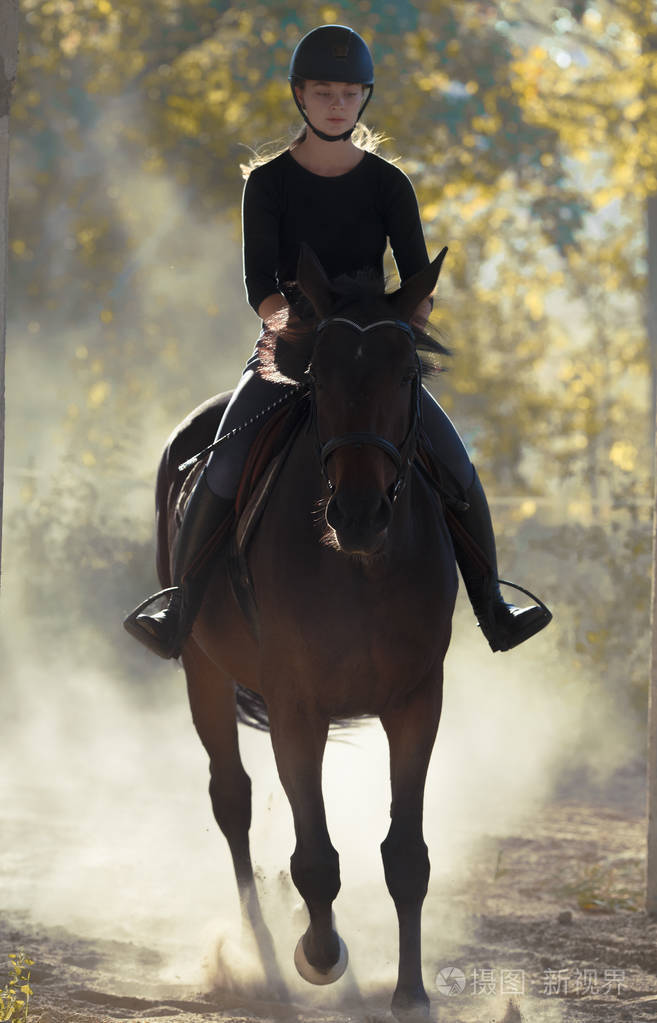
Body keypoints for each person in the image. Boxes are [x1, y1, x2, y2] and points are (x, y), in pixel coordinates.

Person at [125, 24, 551, 659]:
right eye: (323, 91)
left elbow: (417, 282)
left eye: (348, 93)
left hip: (371, 351)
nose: (335, 104)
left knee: (458, 465)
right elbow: (259, 284)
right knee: (220, 464)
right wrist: (290, 325)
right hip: (292, 348)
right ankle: (180, 606)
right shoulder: (267, 184)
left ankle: (493, 603)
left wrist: (391, 332)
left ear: (363, 100)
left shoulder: (389, 184)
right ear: (300, 96)